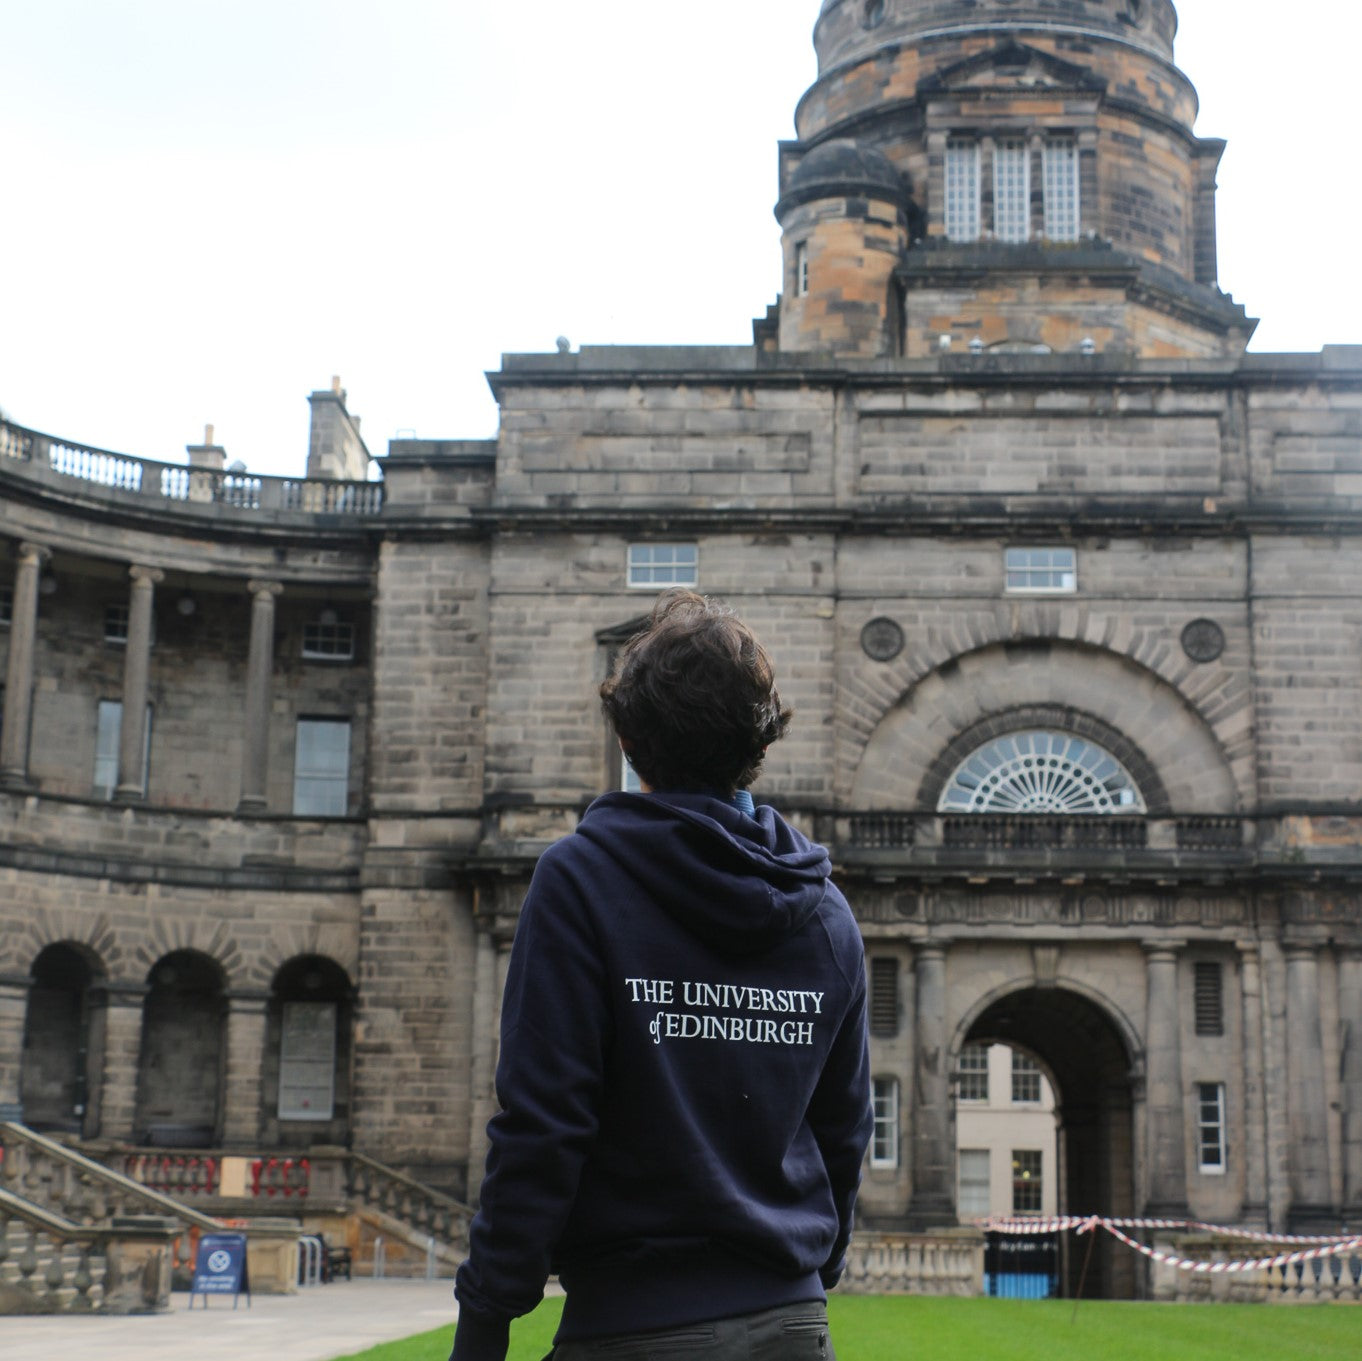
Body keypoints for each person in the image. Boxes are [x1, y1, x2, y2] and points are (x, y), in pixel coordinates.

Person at [451, 589, 872, 1361]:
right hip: (792, 1325)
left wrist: (484, 1322)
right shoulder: (827, 913)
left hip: (635, 1324)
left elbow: (544, 1125)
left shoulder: (579, 880)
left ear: (631, 740)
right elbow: (843, 1130)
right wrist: (812, 1266)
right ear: (760, 740)